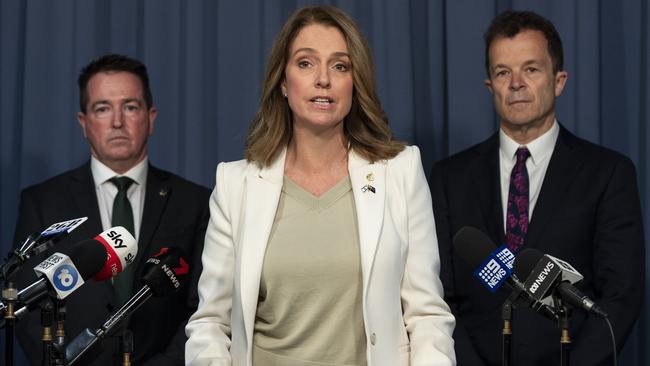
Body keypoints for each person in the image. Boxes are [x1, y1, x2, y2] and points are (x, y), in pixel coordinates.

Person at [185, 6, 455, 366]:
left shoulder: (400, 172)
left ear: (355, 81)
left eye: (340, 66)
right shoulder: (236, 185)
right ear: (283, 82)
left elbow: (427, 317)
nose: (323, 79)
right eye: (306, 63)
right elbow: (211, 324)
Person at [430, 10, 644, 365]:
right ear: (490, 87)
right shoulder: (448, 178)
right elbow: (437, 295)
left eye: (531, 69)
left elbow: (621, 296)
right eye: (503, 72)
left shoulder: (608, 173)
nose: (516, 83)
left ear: (558, 81)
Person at [12, 54, 211, 365]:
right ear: (84, 122)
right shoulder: (42, 201)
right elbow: (28, 310)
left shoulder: (195, 202)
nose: (117, 121)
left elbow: (203, 307)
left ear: (151, 117)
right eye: (102, 108)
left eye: (130, 107)